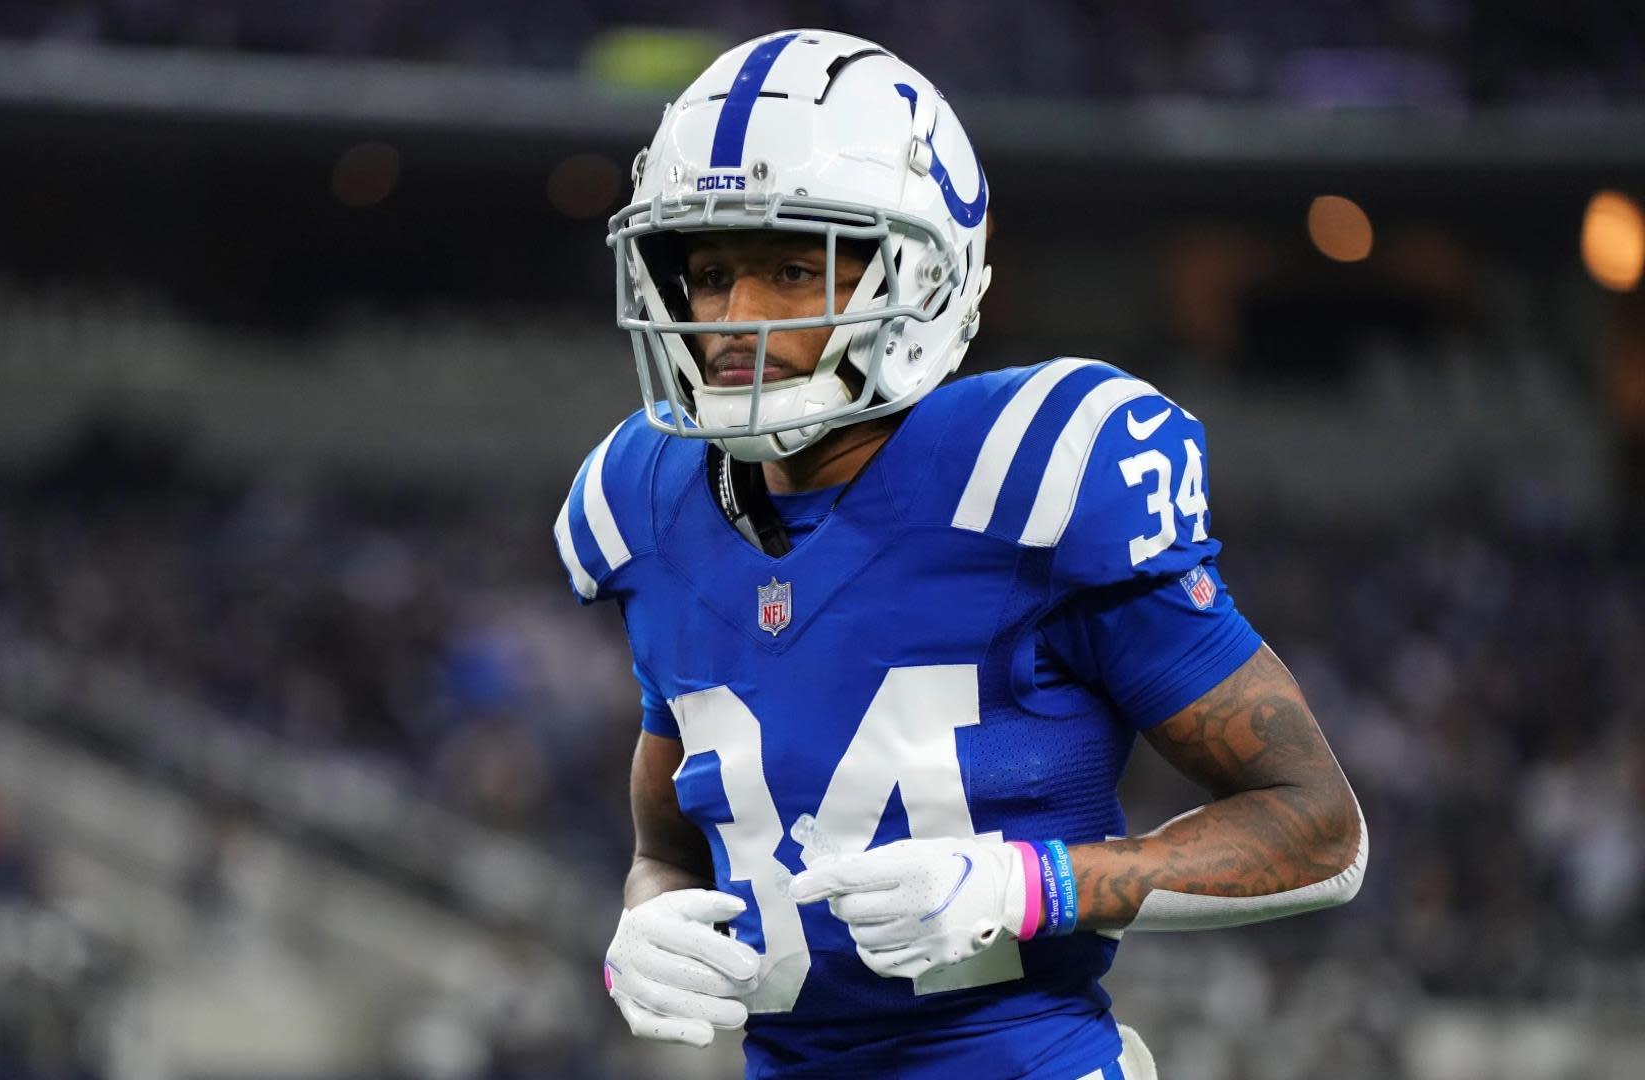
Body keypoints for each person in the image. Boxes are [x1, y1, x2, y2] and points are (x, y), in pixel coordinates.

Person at [554, 29, 1365, 1080]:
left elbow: (1319, 830)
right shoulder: (645, 506)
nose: (733, 321)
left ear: (925, 276)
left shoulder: (1035, 475)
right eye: (709, 273)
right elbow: (670, 846)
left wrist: (1026, 889)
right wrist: (641, 930)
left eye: (795, 268)